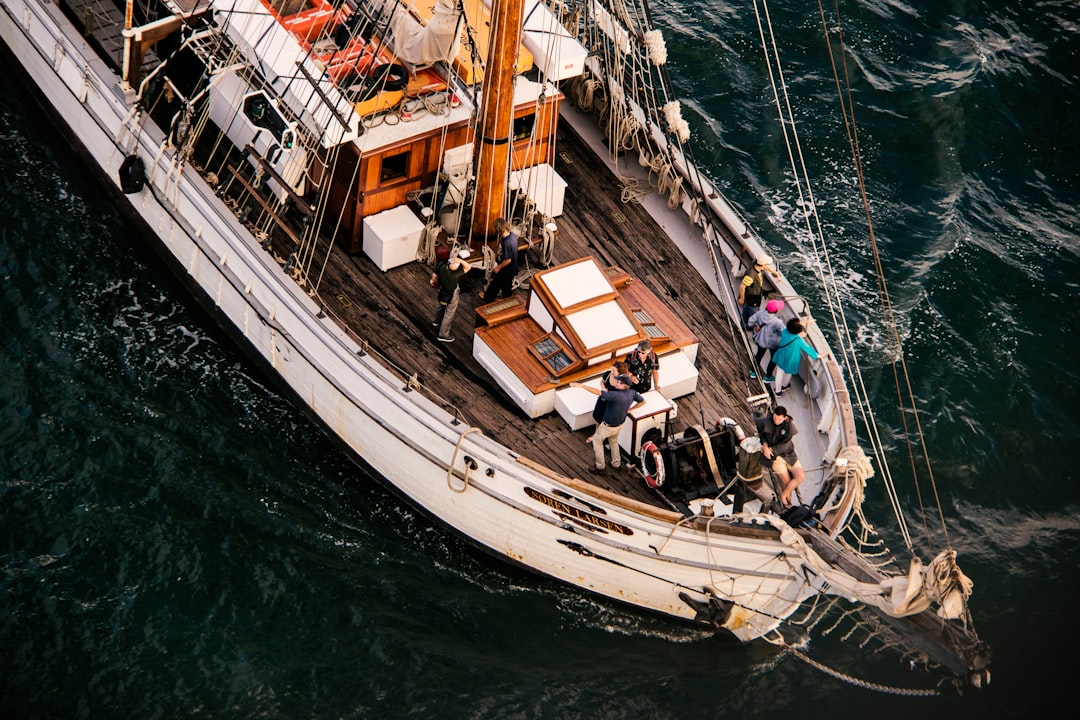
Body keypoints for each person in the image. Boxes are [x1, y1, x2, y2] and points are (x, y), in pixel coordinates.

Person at [570, 376, 645, 475]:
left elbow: (598, 392)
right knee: (613, 441)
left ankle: (600, 467)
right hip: (619, 424)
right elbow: (643, 401)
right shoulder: (632, 393)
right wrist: (630, 409)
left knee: (597, 441)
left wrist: (581, 385)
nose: (616, 383)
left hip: (607, 426)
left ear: (623, 385)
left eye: (618, 382)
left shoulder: (615, 395)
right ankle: (616, 464)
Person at [757, 405, 804, 506]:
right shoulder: (766, 422)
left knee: (800, 476)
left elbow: (785, 444)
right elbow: (762, 435)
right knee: (787, 482)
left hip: (788, 454)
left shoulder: (790, 428)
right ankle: (788, 504)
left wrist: (771, 449)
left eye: (779, 419)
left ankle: (783, 496)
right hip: (775, 457)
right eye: (774, 418)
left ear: (785, 418)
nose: (776, 422)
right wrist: (765, 446)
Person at [431, 248, 474, 343]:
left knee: (440, 306)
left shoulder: (441, 266)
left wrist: (433, 281)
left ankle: (436, 322)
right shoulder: (455, 275)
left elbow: (434, 275)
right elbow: (468, 267)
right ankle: (443, 334)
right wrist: (460, 261)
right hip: (451, 293)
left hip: (442, 290)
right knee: (449, 313)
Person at [771, 317, 819, 397]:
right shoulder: (798, 340)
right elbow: (808, 349)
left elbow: (791, 328)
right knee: (789, 373)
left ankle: (778, 391)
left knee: (779, 373)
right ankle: (785, 385)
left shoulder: (785, 331)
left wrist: (805, 323)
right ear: (798, 331)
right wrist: (818, 355)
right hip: (792, 360)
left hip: (781, 356)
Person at [478, 218, 519, 302]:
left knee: (501, 286)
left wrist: (498, 267)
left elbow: (508, 260)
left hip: (507, 269)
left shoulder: (507, 243)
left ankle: (490, 299)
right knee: (500, 284)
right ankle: (490, 297)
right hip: (513, 267)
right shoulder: (512, 235)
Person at [738, 254, 781, 329]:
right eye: (766, 264)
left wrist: (776, 273)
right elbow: (742, 287)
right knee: (756, 316)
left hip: (751, 295)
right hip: (753, 298)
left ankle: (743, 327)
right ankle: (753, 330)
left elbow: (767, 267)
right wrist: (742, 299)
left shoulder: (755, 263)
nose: (767, 266)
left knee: (745, 312)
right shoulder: (750, 275)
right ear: (762, 265)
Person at [747, 299, 785, 382]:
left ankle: (753, 372)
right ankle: (768, 376)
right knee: (773, 359)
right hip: (773, 343)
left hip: (761, 340)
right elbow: (784, 333)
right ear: (776, 310)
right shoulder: (778, 321)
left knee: (759, 355)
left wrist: (755, 327)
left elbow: (750, 321)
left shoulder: (760, 314)